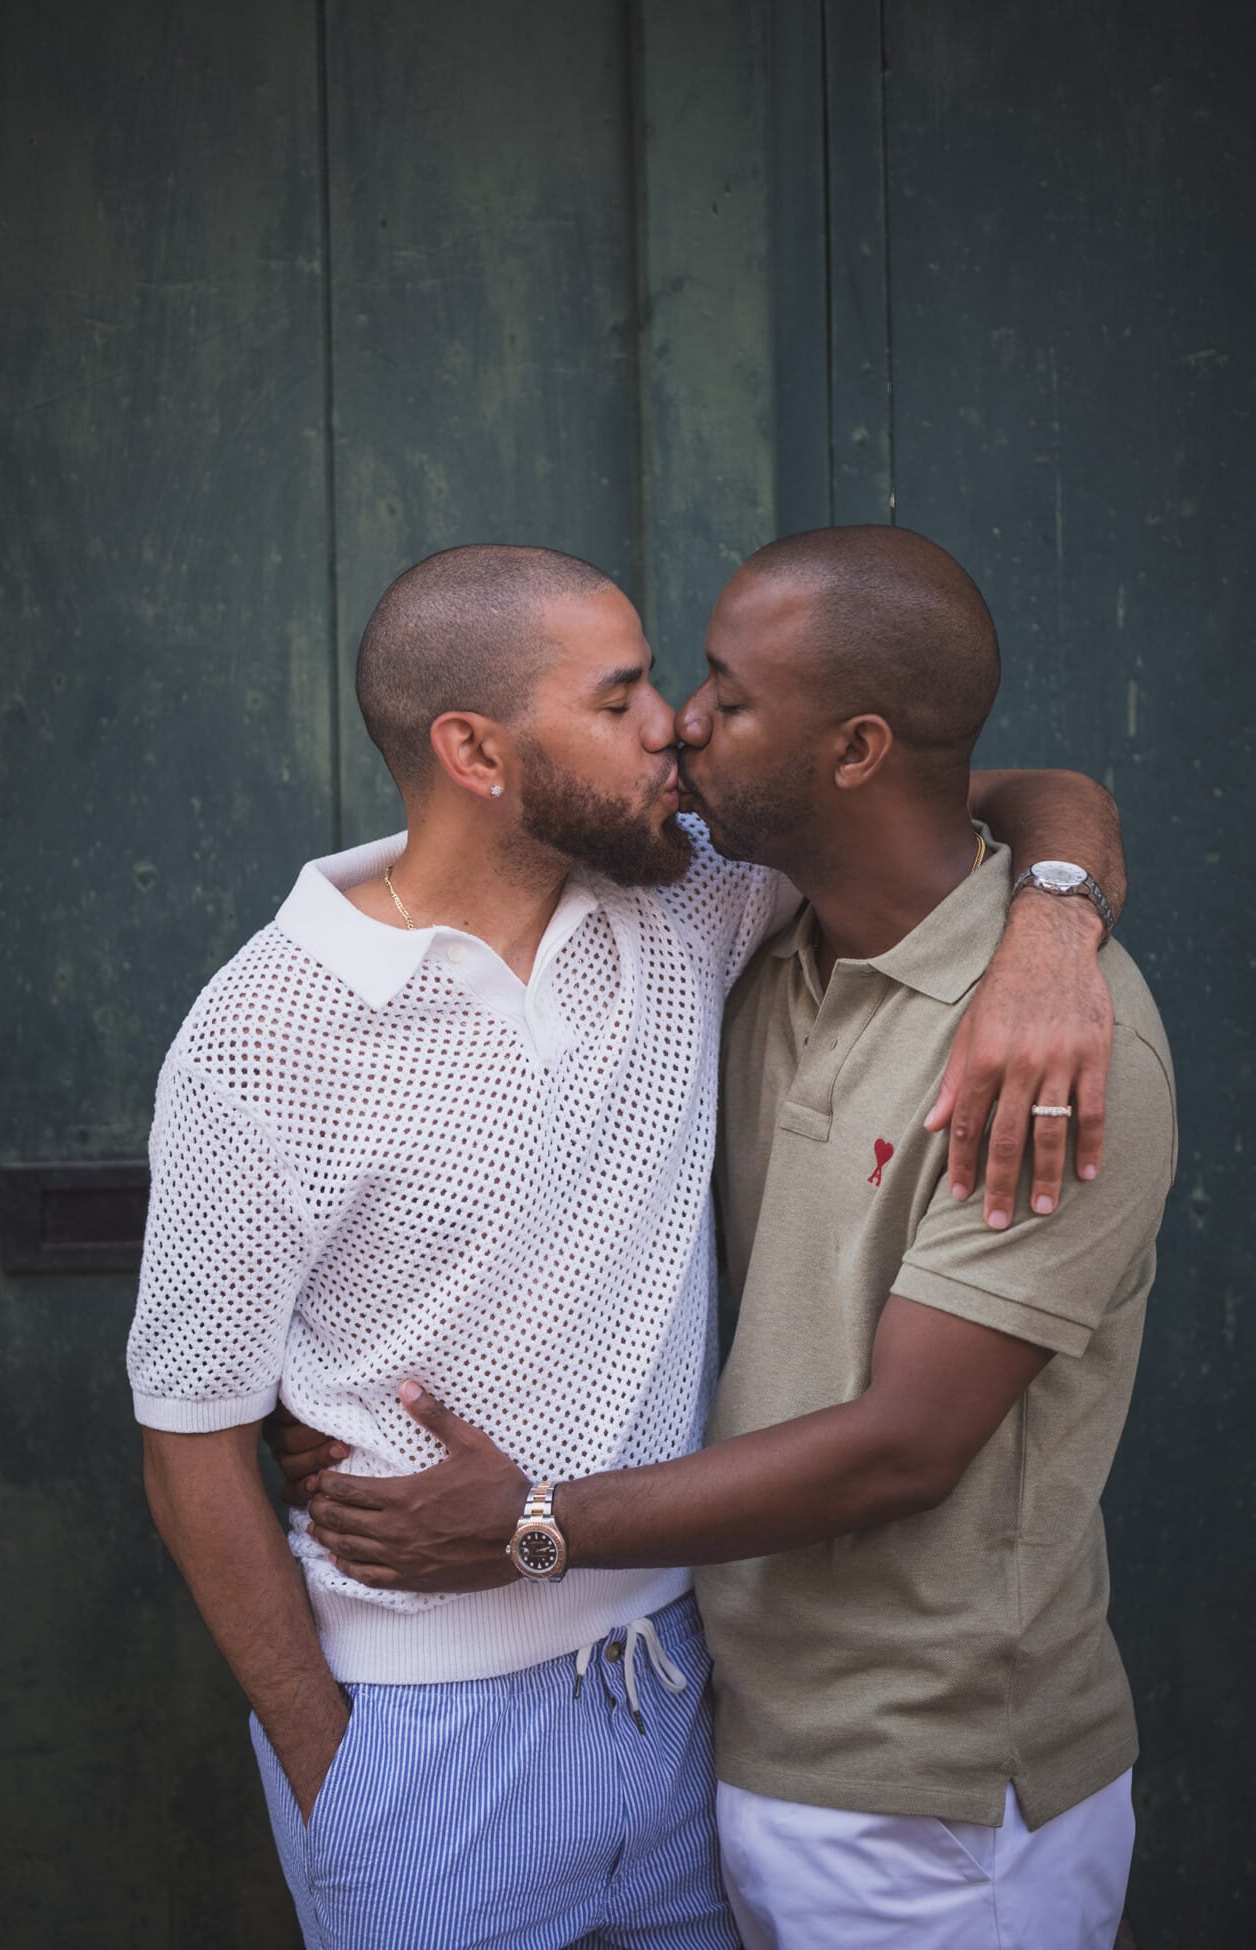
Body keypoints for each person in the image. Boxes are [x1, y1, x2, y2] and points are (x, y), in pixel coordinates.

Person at [131, 541, 1127, 1950]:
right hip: (419, 1749)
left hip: (682, 1711)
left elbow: (1003, 794)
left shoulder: (691, 893)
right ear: (476, 752)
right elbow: (190, 1449)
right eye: (620, 698)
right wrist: (329, 1774)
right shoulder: (263, 1035)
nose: (672, 724)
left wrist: (1053, 924)